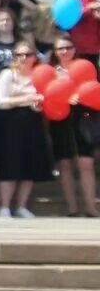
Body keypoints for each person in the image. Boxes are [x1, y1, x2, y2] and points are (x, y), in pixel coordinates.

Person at [0, 45, 52, 218]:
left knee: (29, 165)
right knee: (10, 164)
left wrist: (38, 103)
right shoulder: (8, 74)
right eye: (19, 54)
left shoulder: (39, 75)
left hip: (32, 122)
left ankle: (22, 206)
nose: (23, 58)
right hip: (10, 123)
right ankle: (4, 206)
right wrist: (26, 98)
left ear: (34, 56)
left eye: (27, 54)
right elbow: (0, 100)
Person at [47, 38, 98, 217]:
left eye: (68, 47)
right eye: (60, 48)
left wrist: (81, 96)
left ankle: (91, 207)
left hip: (84, 117)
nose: (64, 51)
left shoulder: (85, 67)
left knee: (86, 163)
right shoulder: (51, 72)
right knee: (65, 163)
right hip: (60, 119)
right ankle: (72, 208)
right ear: (55, 51)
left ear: (75, 49)